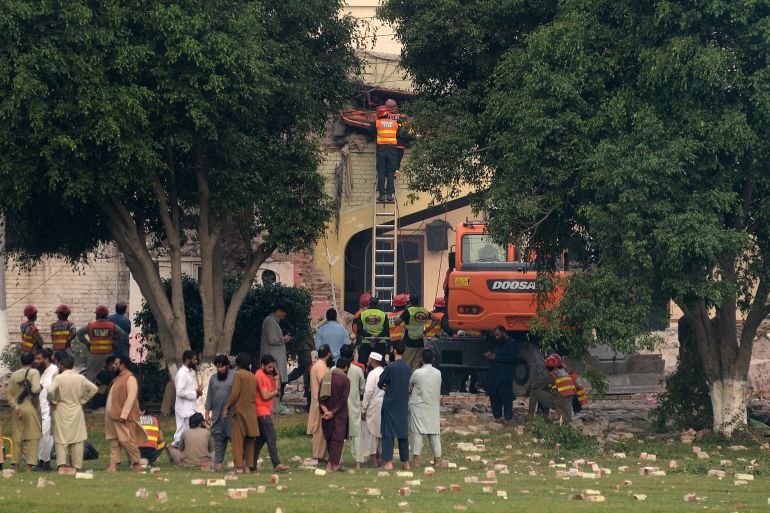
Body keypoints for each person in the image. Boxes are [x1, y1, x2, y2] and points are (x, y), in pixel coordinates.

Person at [47, 351, 98, 472]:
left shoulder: (58, 378)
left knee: (61, 438)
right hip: (76, 408)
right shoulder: (80, 377)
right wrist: (83, 400)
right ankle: (76, 465)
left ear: (61, 365)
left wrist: (53, 401)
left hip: (61, 409)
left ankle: (62, 464)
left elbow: (50, 390)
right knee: (77, 439)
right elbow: (94, 389)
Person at [105, 355, 146, 472]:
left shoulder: (130, 378)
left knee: (126, 440)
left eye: (116, 364)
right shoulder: (118, 377)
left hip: (123, 417)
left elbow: (131, 398)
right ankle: (113, 465)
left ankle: (136, 462)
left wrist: (124, 415)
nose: (114, 366)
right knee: (114, 441)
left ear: (123, 365)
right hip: (113, 416)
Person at [223, 352, 259, 474]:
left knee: (237, 441)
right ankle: (248, 467)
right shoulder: (253, 376)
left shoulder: (238, 375)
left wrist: (227, 406)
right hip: (251, 412)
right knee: (250, 441)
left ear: (238, 363)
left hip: (239, 412)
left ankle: (238, 467)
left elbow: (235, 393)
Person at [378, 341, 411, 470]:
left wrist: (386, 386)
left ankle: (388, 462)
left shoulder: (391, 368)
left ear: (395, 350)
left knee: (388, 433)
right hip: (402, 404)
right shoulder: (407, 367)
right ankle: (406, 462)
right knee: (403, 433)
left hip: (390, 404)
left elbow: (380, 382)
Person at [254, 355, 290, 472]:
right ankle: (276, 464)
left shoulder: (268, 376)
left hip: (265, 410)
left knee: (260, 440)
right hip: (261, 411)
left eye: (272, 367)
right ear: (263, 365)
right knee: (271, 436)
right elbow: (265, 396)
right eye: (269, 367)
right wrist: (275, 391)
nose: (271, 369)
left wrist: (276, 378)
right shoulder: (260, 375)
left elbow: (277, 391)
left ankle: (251, 464)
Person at [8, 351, 42, 472]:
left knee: (18, 437)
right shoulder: (34, 372)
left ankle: (16, 466)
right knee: (33, 436)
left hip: (18, 408)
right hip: (30, 406)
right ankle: (29, 466)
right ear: (33, 361)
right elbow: (36, 389)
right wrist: (40, 388)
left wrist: (16, 406)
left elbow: (9, 394)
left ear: (21, 361)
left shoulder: (14, 375)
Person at [409, 349, 443, 467]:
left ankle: (416, 461)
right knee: (434, 433)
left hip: (418, 406)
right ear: (432, 359)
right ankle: (437, 460)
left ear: (421, 359)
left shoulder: (417, 373)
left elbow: (410, 386)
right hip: (433, 406)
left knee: (417, 433)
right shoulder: (438, 373)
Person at [76, 305, 126, 379]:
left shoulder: (91, 325)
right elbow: (122, 334)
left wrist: (87, 344)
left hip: (94, 355)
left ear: (97, 315)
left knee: (91, 377)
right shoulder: (112, 326)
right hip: (108, 356)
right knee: (109, 376)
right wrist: (115, 344)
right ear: (106, 315)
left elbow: (79, 333)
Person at [260, 305, 293, 415]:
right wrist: (284, 339)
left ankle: (275, 406)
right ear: (278, 311)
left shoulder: (272, 321)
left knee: (275, 383)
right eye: (283, 314)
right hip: (272, 359)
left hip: (273, 359)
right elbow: (272, 340)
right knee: (273, 384)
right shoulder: (270, 321)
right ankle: (273, 407)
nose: (284, 317)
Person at [320, 356, 351, 472]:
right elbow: (343, 400)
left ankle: (334, 465)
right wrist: (332, 412)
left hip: (326, 414)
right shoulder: (345, 380)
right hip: (339, 415)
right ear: (346, 367)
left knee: (329, 439)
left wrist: (326, 412)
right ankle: (331, 465)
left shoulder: (326, 377)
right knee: (337, 440)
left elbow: (320, 398)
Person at [394, 295, 439, 372]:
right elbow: (436, 319)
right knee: (416, 366)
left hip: (409, 342)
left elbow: (396, 323)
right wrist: (426, 331)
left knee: (407, 363)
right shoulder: (424, 311)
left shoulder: (408, 311)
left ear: (410, 302)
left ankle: (407, 379)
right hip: (420, 342)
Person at [528, 353, 576, 423]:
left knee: (533, 391)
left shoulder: (552, 375)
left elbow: (535, 386)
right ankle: (546, 418)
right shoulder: (565, 373)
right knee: (566, 422)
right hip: (568, 403)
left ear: (550, 367)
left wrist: (528, 387)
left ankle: (530, 419)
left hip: (558, 402)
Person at [205, 354, 233, 471]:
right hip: (217, 417)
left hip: (231, 417)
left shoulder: (235, 376)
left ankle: (240, 466)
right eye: (218, 367)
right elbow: (209, 396)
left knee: (235, 442)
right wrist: (207, 413)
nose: (220, 369)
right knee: (218, 442)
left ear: (227, 366)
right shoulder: (213, 378)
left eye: (222, 366)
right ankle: (218, 466)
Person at [485, 326, 518, 423]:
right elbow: (496, 356)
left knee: (506, 397)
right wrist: (490, 357)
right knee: (494, 396)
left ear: (504, 333)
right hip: (495, 375)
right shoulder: (499, 343)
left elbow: (512, 358)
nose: (496, 338)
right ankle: (497, 417)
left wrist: (496, 358)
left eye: (498, 335)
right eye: (495, 336)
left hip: (505, 376)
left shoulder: (512, 344)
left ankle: (508, 418)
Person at [340, 344, 365, 469]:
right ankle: (358, 463)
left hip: (339, 407)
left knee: (339, 434)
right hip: (354, 405)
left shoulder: (334, 369)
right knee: (357, 435)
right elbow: (362, 388)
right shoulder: (357, 370)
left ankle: (337, 460)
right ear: (352, 355)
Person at [307, 344, 332, 462]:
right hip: (321, 402)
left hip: (317, 401)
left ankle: (319, 454)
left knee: (319, 430)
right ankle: (319, 455)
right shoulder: (321, 367)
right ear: (328, 354)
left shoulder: (316, 365)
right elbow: (324, 385)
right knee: (320, 430)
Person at [369, 104, 399, 202]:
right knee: (391, 171)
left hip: (381, 148)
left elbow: (371, 131)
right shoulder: (395, 123)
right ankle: (389, 195)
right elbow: (399, 134)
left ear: (379, 114)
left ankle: (382, 195)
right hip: (392, 149)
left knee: (381, 171)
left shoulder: (376, 123)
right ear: (387, 113)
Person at [34, 349, 58, 471]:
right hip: (41, 408)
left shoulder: (55, 371)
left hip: (50, 408)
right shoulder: (41, 373)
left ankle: (43, 462)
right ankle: (45, 462)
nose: (36, 361)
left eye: (39, 359)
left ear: (46, 359)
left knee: (47, 435)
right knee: (43, 435)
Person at [173, 350, 202, 446]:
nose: (195, 362)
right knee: (183, 435)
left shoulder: (189, 372)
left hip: (189, 407)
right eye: (194, 360)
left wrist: (197, 393)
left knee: (187, 435)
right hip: (184, 408)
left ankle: (180, 450)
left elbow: (189, 389)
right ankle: (174, 449)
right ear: (187, 360)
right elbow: (180, 392)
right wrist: (195, 393)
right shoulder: (182, 374)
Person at [361, 352, 385, 467]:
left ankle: (374, 460)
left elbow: (368, 393)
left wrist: (364, 408)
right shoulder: (385, 371)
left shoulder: (372, 374)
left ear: (373, 361)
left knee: (371, 432)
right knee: (381, 432)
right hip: (384, 404)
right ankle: (381, 459)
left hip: (374, 405)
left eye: (369, 360)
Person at [353, 296, 389, 366]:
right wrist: (376, 338)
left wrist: (370, 337)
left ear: (369, 304)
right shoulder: (383, 314)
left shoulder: (362, 314)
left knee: (363, 364)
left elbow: (359, 330)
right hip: (380, 344)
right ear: (377, 304)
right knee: (379, 365)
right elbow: (386, 330)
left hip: (366, 343)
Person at [285, 331, 314, 412]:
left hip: (304, 348)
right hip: (306, 349)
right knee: (308, 373)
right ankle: (309, 403)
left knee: (302, 370)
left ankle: (285, 380)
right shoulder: (303, 326)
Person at [385, 98, 408, 171]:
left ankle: (390, 176)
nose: (396, 108)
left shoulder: (384, 117)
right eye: (395, 106)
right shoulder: (403, 117)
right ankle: (394, 176)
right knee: (396, 167)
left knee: (387, 167)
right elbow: (406, 131)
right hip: (399, 146)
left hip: (388, 146)